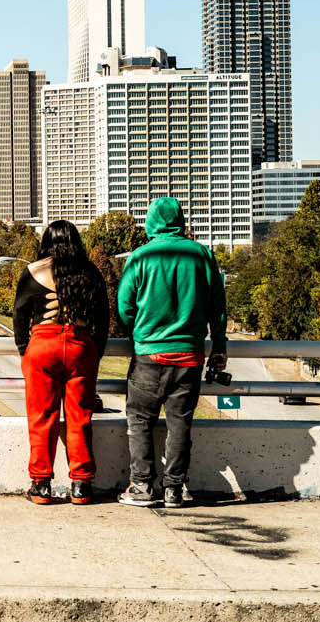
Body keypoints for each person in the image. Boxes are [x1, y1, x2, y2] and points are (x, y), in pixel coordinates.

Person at [114, 196, 226, 508]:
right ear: (180, 220)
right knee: (180, 423)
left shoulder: (140, 257)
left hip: (149, 354)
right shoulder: (202, 255)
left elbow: (124, 308)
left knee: (139, 420)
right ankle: (175, 489)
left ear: (150, 222)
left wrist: (137, 333)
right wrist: (220, 346)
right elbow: (217, 307)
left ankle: (142, 486)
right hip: (189, 355)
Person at [12, 220, 111, 505]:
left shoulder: (33, 271)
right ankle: (81, 484)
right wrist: (96, 350)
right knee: (80, 416)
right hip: (81, 345)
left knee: (43, 417)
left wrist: (24, 349)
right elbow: (103, 318)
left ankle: (41, 484)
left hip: (43, 344)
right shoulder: (89, 272)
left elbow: (20, 316)